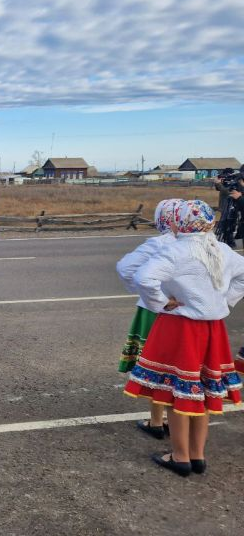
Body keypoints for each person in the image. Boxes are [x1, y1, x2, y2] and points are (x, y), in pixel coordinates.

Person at [124, 200, 244, 477]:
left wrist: (161, 302)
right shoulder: (221, 249)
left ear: (178, 222)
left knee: (178, 393)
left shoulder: (176, 250)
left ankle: (180, 456)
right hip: (213, 328)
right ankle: (198, 455)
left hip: (181, 326)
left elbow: (144, 277)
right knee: (200, 392)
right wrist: (224, 301)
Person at [116, 199, 182, 439]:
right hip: (189, 311)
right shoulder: (203, 243)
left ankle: (157, 420)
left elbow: (126, 268)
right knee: (178, 365)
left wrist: (152, 295)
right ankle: (175, 419)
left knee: (157, 364)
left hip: (157, 309)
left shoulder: (160, 243)